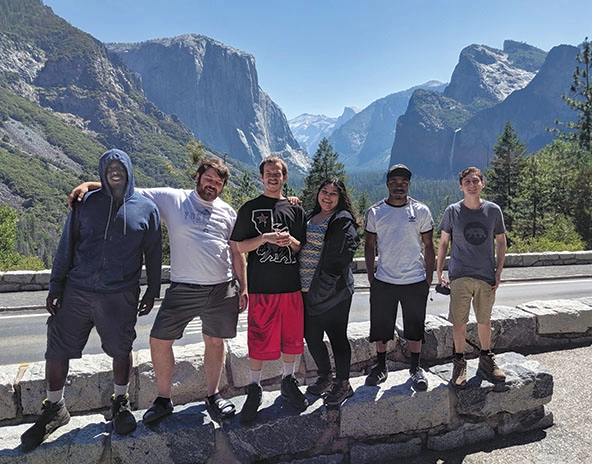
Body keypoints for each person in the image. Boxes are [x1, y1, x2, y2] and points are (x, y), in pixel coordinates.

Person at [67, 157, 248, 423]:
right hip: (184, 286)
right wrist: (90, 185)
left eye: (218, 183)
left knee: (215, 341)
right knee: (159, 340)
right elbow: (131, 192)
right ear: (197, 177)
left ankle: (213, 395)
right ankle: (163, 400)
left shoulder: (228, 212)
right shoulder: (172, 199)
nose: (213, 185)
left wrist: (244, 287)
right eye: (208, 179)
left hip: (222, 288)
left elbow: (236, 251)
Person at [21, 149, 162, 451]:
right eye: (108, 167)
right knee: (57, 347)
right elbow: (66, 246)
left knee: (121, 347)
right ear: (102, 172)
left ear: (128, 170)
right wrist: (56, 286)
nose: (114, 171)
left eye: (119, 166)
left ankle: (120, 403)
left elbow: (153, 254)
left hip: (119, 294)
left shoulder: (146, 209)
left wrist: (152, 290)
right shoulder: (86, 205)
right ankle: (54, 409)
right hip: (78, 290)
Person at [230, 155, 308, 424]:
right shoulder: (250, 208)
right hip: (262, 289)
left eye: (278, 173)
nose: (273, 177)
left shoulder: (296, 210)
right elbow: (239, 246)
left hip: (291, 288)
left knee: (292, 339)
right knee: (258, 340)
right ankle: (255, 388)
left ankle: (288, 381)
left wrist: (290, 241)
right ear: (261, 177)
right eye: (268, 173)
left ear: (285, 177)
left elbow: (302, 248)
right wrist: (264, 237)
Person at [364, 164, 435, 391]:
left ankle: (415, 368)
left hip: (414, 280)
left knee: (415, 326)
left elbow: (429, 245)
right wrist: (371, 277)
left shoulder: (421, 211)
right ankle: (381, 366)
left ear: (409, 185)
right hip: (384, 279)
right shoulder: (375, 212)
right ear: (387, 184)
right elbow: (369, 245)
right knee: (381, 327)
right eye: (394, 182)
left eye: (403, 182)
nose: (399, 186)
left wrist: (428, 278)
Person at [436, 166, 507, 388]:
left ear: (482, 184)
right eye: (467, 181)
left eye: (476, 181)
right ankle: (459, 362)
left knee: (485, 320)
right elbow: (444, 242)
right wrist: (439, 271)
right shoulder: (452, 211)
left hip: (485, 275)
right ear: (461, 186)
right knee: (459, 321)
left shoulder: (493, 210)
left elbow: (501, 241)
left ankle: (486, 359)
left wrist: (498, 271)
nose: (472, 184)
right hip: (459, 274)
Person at [299, 178, 360, 408]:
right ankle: (325, 376)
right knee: (311, 336)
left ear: (340, 198)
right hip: (307, 288)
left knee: (336, 336)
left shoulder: (342, 219)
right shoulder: (309, 216)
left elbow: (342, 254)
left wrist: (325, 283)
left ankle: (343, 384)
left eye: (333, 194)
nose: (327, 196)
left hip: (334, 292)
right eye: (324, 191)